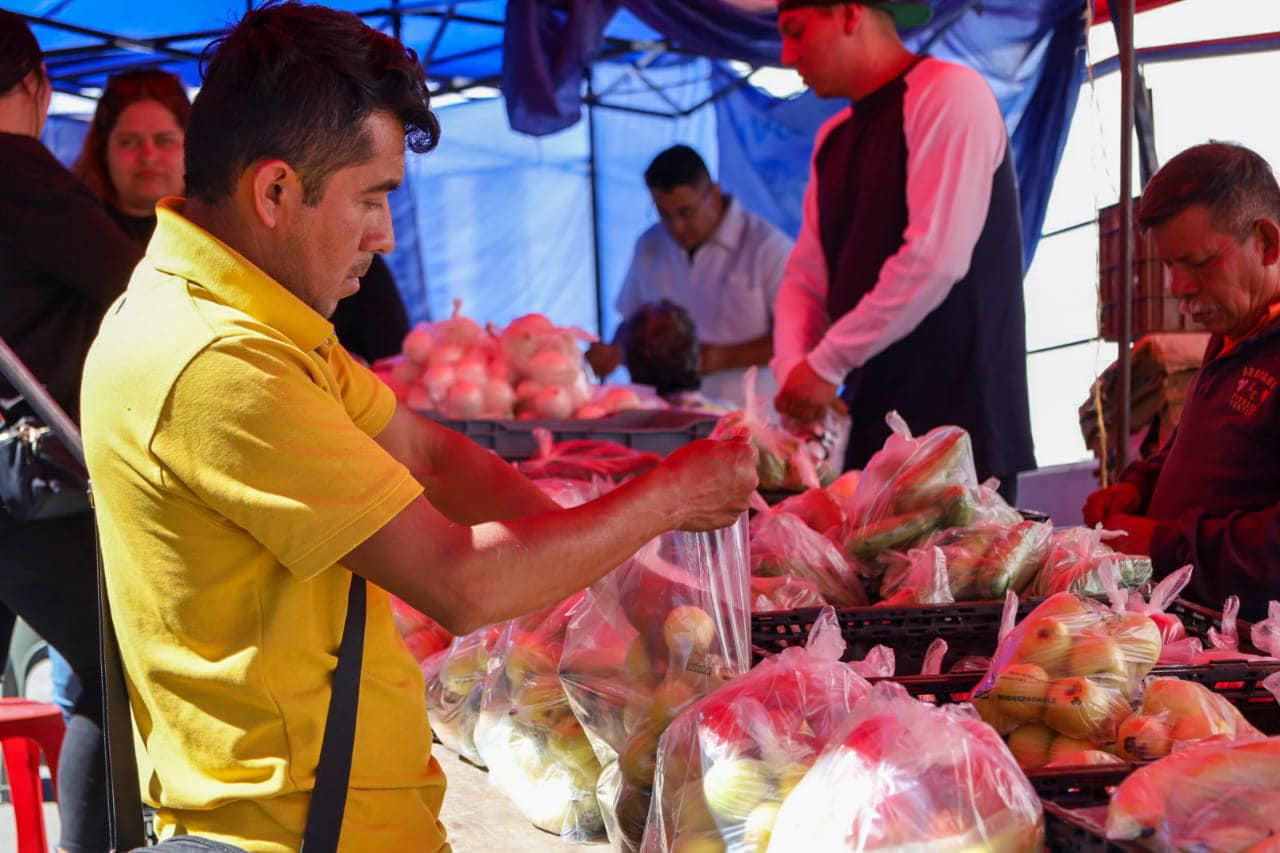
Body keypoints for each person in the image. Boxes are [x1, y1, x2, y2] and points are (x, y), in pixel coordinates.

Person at [79, 4, 757, 850]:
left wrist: (637, 585)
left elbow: (432, 452)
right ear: (276, 191)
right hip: (289, 835)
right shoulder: (214, 359)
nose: (387, 235)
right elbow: (458, 583)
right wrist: (667, 499)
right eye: (372, 198)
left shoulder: (257, 320)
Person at [770, 0, 1034, 501]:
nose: (786, 55)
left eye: (796, 30)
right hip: (875, 435)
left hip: (962, 437)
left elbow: (935, 257)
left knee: (956, 580)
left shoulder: (949, 94)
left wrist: (826, 365)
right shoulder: (834, 139)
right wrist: (793, 372)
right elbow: (804, 278)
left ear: (849, 14)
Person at [0, 11, 139, 853]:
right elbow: (138, 286)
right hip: (37, 487)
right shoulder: (18, 169)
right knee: (105, 679)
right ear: (34, 87)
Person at [1083, 142, 1280, 620]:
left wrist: (1164, 545)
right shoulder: (1233, 334)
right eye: (1170, 266)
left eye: (1199, 262)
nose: (1178, 288)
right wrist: (1140, 486)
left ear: (1267, 243)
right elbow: (1206, 446)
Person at [585, 145, 793, 407]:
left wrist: (725, 357)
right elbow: (631, 319)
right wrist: (614, 351)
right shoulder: (650, 244)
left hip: (749, 420)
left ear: (714, 195)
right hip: (666, 418)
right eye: (664, 214)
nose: (677, 227)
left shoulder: (767, 247)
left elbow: (798, 338)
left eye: (686, 212)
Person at [71, 68, 190, 245]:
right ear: (103, 150)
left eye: (164, 141)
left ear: (191, 147)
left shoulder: (220, 234)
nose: (148, 156)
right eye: (128, 142)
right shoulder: (70, 236)